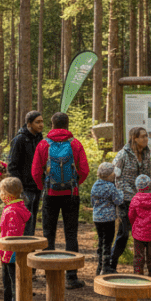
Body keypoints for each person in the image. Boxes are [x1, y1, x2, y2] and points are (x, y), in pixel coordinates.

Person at [31, 111, 90, 289]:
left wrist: (44, 188)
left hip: (50, 194)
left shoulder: (43, 144)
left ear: (52, 124)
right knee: (71, 234)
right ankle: (71, 277)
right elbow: (84, 169)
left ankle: (50, 273)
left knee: (48, 233)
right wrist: (75, 185)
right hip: (71, 195)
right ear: (67, 124)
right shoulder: (75, 144)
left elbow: (35, 171)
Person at [107, 126, 151, 273]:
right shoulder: (122, 155)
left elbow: (147, 176)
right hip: (125, 200)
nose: (146, 139)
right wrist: (133, 196)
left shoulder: (146, 153)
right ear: (135, 139)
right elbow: (117, 180)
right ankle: (111, 265)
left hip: (142, 200)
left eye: (146, 136)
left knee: (144, 234)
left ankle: (144, 268)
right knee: (124, 233)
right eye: (143, 136)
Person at [0, 177, 30, 301]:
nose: (0, 195)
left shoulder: (13, 211)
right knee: (7, 285)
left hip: (11, 254)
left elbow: (12, 237)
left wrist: (7, 253)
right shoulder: (12, 207)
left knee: (15, 287)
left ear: (7, 194)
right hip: (7, 254)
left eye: (1, 191)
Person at [8, 111, 44, 235]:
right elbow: (12, 166)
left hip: (37, 186)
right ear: (29, 123)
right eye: (37, 122)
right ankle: (23, 249)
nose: (41, 125)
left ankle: (30, 247)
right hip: (24, 187)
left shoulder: (40, 138)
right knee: (25, 219)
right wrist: (19, 188)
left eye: (42, 122)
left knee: (33, 218)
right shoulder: (19, 139)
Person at [90, 162, 124, 276]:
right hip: (108, 219)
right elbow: (118, 201)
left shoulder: (95, 186)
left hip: (97, 218)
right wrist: (120, 192)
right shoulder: (111, 187)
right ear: (110, 175)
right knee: (107, 243)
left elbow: (92, 202)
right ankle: (105, 268)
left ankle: (99, 267)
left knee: (101, 242)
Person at [129, 174, 151, 283]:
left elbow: (131, 215)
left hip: (138, 233)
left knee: (139, 255)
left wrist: (134, 225)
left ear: (137, 187)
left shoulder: (135, 199)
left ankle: (138, 273)